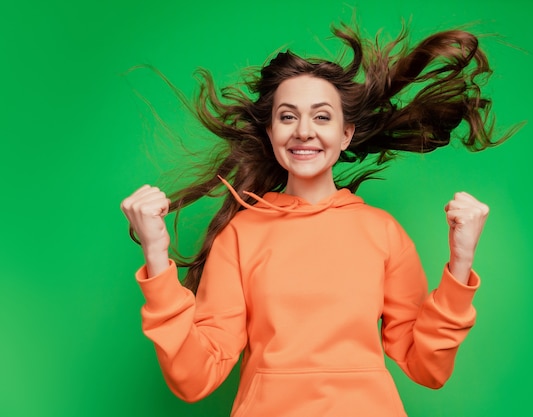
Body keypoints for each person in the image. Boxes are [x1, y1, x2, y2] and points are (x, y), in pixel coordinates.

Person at [121, 23, 501, 417]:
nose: (304, 132)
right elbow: (194, 376)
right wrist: (156, 254)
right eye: (287, 117)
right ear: (270, 133)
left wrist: (461, 262)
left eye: (322, 117)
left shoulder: (382, 232)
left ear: (346, 134)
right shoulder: (240, 235)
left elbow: (428, 367)